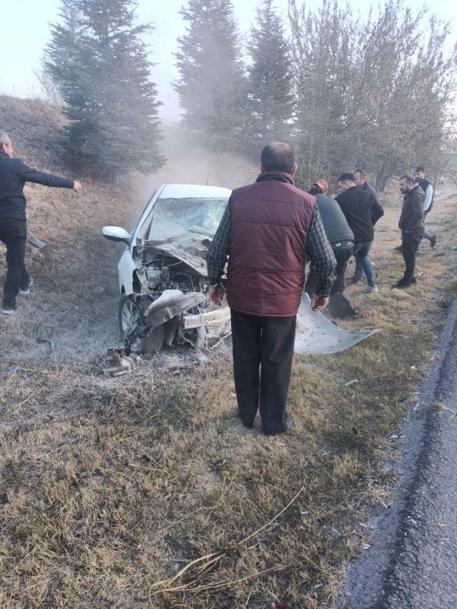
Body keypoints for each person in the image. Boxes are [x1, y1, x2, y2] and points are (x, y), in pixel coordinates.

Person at [207, 142, 336, 436]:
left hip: (243, 296)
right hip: (282, 301)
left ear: (261, 167)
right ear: (293, 170)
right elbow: (325, 259)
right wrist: (322, 291)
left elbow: (216, 250)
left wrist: (215, 282)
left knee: (245, 356)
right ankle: (274, 423)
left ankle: (245, 417)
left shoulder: (238, 198)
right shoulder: (307, 203)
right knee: (277, 361)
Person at [0, 131, 81, 314]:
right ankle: (8, 304)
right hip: (13, 220)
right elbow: (45, 178)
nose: (12, 149)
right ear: (4, 146)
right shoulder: (14, 165)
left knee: (16, 254)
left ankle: (25, 281)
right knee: (14, 260)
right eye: (10, 145)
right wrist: (71, 183)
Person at [306, 179, 356, 318]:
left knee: (314, 280)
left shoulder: (308, 202)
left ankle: (309, 314)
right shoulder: (331, 201)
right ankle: (345, 313)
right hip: (348, 242)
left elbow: (309, 233)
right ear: (324, 192)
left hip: (332, 243)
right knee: (337, 276)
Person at [335, 173, 384, 293]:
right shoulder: (368, 195)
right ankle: (373, 286)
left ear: (346, 183)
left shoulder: (340, 199)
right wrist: (370, 223)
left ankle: (337, 290)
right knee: (363, 257)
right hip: (368, 236)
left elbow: (337, 219)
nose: (340, 189)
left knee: (340, 263)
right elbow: (380, 211)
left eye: (340, 186)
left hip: (353, 238)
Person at [394, 175, 424, 288]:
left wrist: (409, 228)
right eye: (399, 185)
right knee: (407, 255)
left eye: (402, 185)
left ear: (410, 183)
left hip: (414, 231)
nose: (400, 187)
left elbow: (419, 214)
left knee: (410, 256)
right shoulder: (410, 193)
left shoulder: (416, 195)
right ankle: (410, 277)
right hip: (409, 230)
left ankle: (407, 281)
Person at [415, 166, 436, 248]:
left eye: (418, 174)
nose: (416, 176)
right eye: (416, 174)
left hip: (422, 210)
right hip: (415, 209)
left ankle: (415, 247)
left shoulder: (428, 185)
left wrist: (422, 211)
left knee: (417, 228)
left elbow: (428, 201)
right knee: (414, 227)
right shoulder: (416, 182)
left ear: (424, 174)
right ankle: (431, 237)